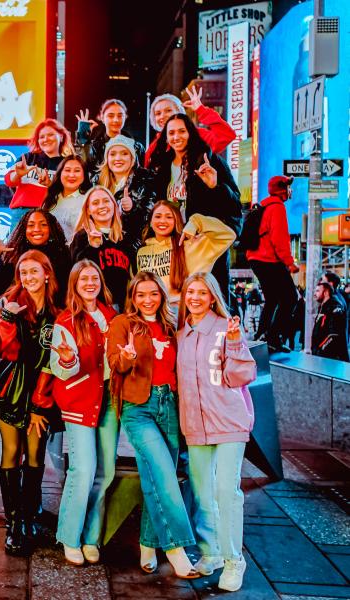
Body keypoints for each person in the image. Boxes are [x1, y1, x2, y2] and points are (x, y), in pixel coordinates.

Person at [106, 271, 198, 578]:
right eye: (141, 294)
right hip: (137, 408)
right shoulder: (122, 324)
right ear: (133, 297)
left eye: (153, 293)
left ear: (161, 295)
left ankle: (148, 544)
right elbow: (115, 364)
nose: (147, 299)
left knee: (155, 478)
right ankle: (176, 549)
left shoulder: (172, 325)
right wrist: (127, 357)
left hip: (167, 404)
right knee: (164, 474)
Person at [176, 272, 257, 591]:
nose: (194, 297)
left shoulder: (227, 329)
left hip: (228, 422)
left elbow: (242, 375)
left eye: (202, 292)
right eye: (189, 291)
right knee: (204, 494)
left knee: (227, 491)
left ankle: (235, 560)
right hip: (195, 426)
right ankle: (212, 553)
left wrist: (236, 344)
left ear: (213, 298)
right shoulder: (182, 334)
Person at [39, 260, 118, 566]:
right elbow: (61, 369)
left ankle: (91, 536)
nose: (89, 282)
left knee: (105, 471)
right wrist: (70, 360)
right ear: (74, 284)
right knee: (82, 470)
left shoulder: (112, 315)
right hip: (79, 401)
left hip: (110, 399)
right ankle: (70, 536)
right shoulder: (66, 321)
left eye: (93, 277)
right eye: (83, 278)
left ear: (100, 282)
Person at [0, 250, 61, 555]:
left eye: (34, 271)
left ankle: (29, 515)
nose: (28, 278)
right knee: (11, 451)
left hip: (42, 390)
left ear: (46, 273)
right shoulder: (9, 303)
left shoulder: (57, 311)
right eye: (23, 272)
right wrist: (7, 317)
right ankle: (13, 523)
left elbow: (57, 359)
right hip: (10, 388)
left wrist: (40, 405)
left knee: (35, 454)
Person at [147, 114, 242, 295]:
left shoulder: (207, 160)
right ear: (165, 137)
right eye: (172, 133)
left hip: (203, 242)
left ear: (191, 132)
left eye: (182, 131)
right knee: (178, 297)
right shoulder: (162, 166)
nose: (177, 137)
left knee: (212, 295)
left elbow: (234, 203)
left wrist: (215, 186)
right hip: (174, 244)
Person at [0, 208, 71, 341]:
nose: (37, 229)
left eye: (43, 224)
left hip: (50, 325)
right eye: (31, 225)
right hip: (15, 327)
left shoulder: (62, 257)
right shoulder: (13, 257)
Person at [136, 201, 235, 307]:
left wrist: (196, 222)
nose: (163, 221)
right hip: (152, 315)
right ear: (150, 222)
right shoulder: (142, 251)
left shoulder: (190, 245)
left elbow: (228, 235)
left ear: (176, 221)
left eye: (169, 217)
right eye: (158, 216)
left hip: (183, 314)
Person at [247, 176, 300, 353]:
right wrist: (290, 263)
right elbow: (280, 239)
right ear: (282, 190)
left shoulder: (264, 205)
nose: (290, 191)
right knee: (291, 298)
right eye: (288, 187)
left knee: (272, 298)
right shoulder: (277, 207)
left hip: (256, 258)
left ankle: (262, 334)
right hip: (268, 259)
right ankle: (274, 337)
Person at [69, 186, 141, 311]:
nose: (102, 206)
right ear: (88, 210)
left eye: (106, 201)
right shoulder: (81, 237)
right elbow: (75, 272)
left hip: (123, 308)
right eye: (95, 203)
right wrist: (92, 247)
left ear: (114, 206)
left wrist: (130, 210)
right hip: (93, 307)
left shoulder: (124, 238)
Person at [146, 86, 236, 167]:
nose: (162, 116)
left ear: (179, 111)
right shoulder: (154, 147)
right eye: (158, 113)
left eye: (168, 110)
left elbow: (226, 135)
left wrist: (201, 110)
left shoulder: (197, 135)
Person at [93, 135, 156, 237]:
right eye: (112, 154)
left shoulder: (146, 180)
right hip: (104, 243)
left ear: (132, 158)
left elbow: (151, 217)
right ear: (107, 159)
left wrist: (132, 208)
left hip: (133, 247)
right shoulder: (96, 182)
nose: (118, 158)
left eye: (124, 153)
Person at [5, 119, 74, 210]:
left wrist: (50, 185)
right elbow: (9, 181)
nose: (46, 139)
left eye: (50, 135)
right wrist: (18, 174)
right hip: (22, 213)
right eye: (41, 137)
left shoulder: (67, 163)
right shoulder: (27, 158)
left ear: (61, 136)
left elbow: (71, 193)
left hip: (53, 211)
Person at [76, 99, 146, 171]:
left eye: (120, 116)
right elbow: (80, 166)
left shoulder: (137, 148)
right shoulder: (94, 148)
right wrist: (82, 138)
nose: (116, 120)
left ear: (125, 117)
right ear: (102, 118)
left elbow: (141, 175)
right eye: (111, 116)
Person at [40, 156, 91, 243]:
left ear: (84, 175)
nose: (71, 175)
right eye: (67, 170)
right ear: (60, 173)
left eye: (77, 171)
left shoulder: (88, 201)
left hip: (72, 252)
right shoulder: (51, 197)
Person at [312, 282, 349, 361]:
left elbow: (334, 335)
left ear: (325, 293)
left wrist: (320, 351)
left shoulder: (335, 308)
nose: (315, 293)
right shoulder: (322, 307)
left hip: (332, 359)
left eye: (318, 291)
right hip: (322, 358)